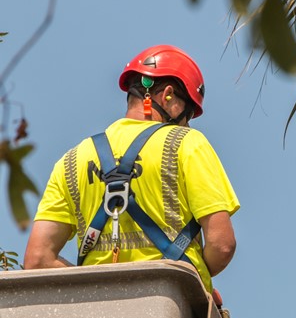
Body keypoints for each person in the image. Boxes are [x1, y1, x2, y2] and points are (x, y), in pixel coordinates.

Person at [24, 45, 239, 292]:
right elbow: (221, 245)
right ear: (168, 95)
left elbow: (37, 258)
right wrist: (191, 280)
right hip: (170, 307)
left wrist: (97, 288)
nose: (187, 125)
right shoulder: (187, 143)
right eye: (187, 114)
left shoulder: (71, 160)